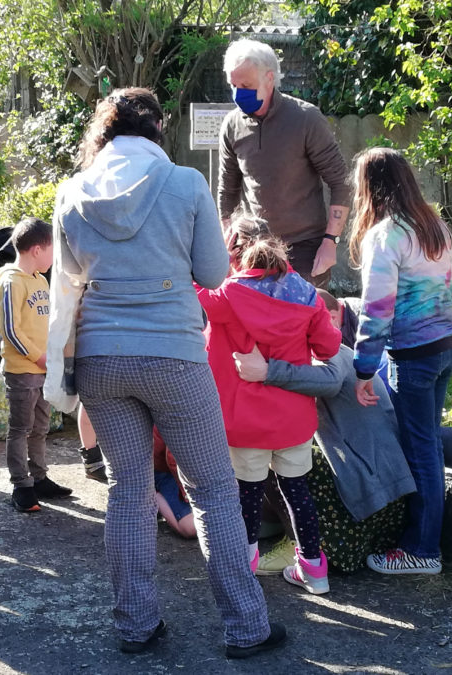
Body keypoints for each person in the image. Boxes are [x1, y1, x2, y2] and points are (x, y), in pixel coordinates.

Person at [47, 88, 284, 657]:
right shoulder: (184, 183)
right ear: (157, 129)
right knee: (213, 492)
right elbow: (209, 270)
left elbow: (68, 281)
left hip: (103, 356)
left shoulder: (72, 191)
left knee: (127, 489)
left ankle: (135, 626)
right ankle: (247, 628)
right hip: (173, 355)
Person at [198, 215, 340, 594]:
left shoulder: (226, 296)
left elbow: (191, 289)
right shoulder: (307, 296)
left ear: (237, 249)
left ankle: (244, 569)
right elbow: (328, 347)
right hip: (293, 419)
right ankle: (314, 570)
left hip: (243, 421)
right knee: (298, 493)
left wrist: (217, 259)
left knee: (247, 496)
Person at [233, 290, 418, 574]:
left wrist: (268, 370)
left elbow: (328, 382)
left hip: (374, 495)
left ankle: (299, 544)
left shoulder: (334, 357)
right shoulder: (336, 354)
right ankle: (277, 529)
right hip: (383, 493)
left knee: (277, 453)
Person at [351, 147, 452, 576]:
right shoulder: (434, 226)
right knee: (428, 444)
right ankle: (427, 540)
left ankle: (421, 549)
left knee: (420, 452)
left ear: (369, 187)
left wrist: (362, 369)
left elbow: (377, 311)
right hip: (444, 347)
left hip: (412, 356)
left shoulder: (385, 235)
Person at [217, 39, 352, 288]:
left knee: (305, 324)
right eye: (233, 85)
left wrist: (330, 241)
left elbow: (341, 183)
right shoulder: (232, 125)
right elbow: (227, 192)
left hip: (304, 250)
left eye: (246, 85)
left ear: (269, 78)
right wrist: (228, 244)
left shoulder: (305, 119)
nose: (238, 93)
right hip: (253, 249)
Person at [0, 216, 73, 512]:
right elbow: (11, 330)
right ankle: (21, 484)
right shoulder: (11, 281)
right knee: (20, 429)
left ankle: (39, 477)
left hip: (43, 370)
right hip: (23, 372)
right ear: (37, 250)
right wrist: (39, 357)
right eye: (53, 250)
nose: (55, 258)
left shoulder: (40, 279)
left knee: (40, 427)